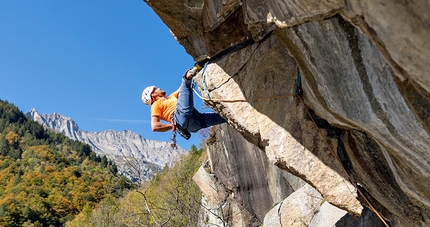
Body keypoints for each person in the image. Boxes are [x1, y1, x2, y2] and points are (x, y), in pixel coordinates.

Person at [141, 64, 226, 140]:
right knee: (185, 81)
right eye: (156, 89)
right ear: (153, 95)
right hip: (180, 116)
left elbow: (181, 89)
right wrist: (173, 126)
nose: (159, 88)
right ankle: (197, 68)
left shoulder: (171, 96)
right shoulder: (156, 104)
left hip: (193, 124)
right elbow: (154, 126)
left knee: (224, 116)